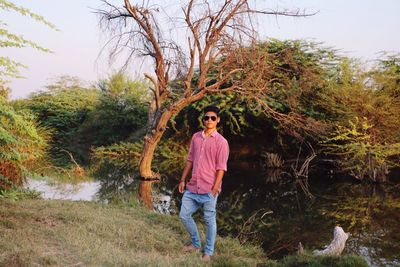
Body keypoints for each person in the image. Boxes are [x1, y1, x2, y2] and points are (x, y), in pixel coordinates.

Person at [178, 105, 229, 261]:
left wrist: (214, 189)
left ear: (218, 120)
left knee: (209, 220)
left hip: (209, 189)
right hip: (192, 186)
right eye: (207, 117)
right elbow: (190, 160)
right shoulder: (196, 137)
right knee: (184, 215)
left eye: (213, 118)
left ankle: (208, 252)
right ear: (203, 119)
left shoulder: (222, 142)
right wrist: (182, 179)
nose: (209, 120)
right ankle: (195, 244)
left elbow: (221, 168)